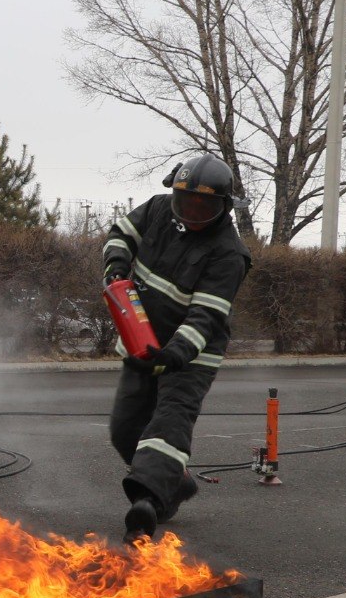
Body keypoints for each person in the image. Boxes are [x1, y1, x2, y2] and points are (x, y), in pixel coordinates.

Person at [103, 153, 252, 544]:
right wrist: (117, 267)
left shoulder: (228, 254)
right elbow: (121, 234)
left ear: (223, 206)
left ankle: (147, 504)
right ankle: (177, 482)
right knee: (125, 431)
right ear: (175, 194)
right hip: (143, 343)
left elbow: (207, 315)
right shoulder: (156, 210)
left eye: (204, 205)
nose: (193, 212)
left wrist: (174, 354)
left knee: (168, 423)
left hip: (191, 356)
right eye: (187, 201)